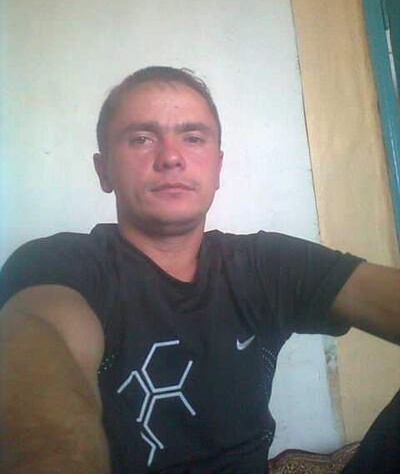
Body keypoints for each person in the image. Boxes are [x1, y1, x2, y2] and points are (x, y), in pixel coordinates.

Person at [0, 66, 399, 474]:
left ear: (217, 167)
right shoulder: (57, 265)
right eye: (141, 138)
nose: (171, 158)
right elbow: (42, 344)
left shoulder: (266, 264)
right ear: (104, 171)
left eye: (192, 138)